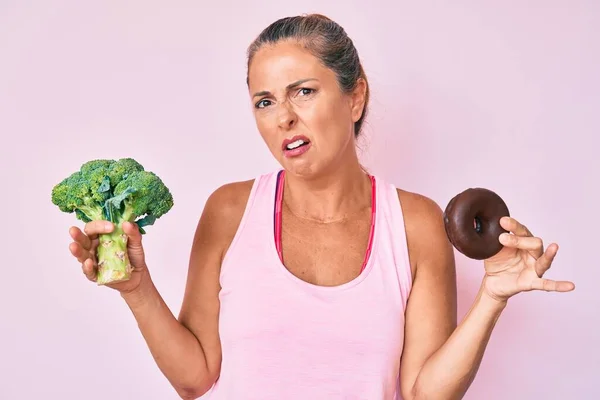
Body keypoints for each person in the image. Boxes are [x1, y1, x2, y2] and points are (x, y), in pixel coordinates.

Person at [67, 13, 575, 400]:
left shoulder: (417, 223)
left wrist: (491, 298)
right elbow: (197, 377)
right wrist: (136, 290)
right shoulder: (229, 210)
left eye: (303, 92)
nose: (283, 118)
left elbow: (424, 392)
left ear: (355, 99)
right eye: (264, 101)